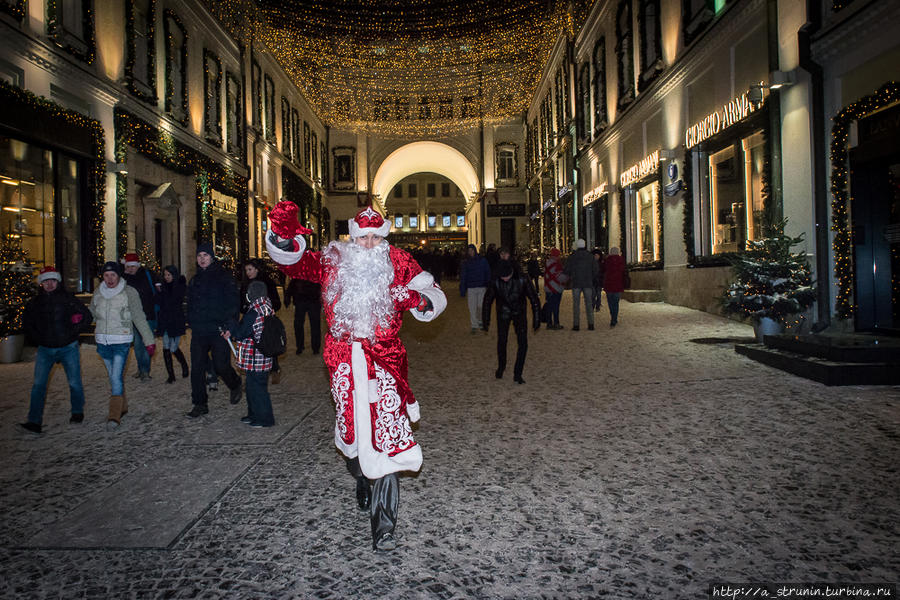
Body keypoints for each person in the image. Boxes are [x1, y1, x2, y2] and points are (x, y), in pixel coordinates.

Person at [266, 202, 446, 552]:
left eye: (376, 237)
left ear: (384, 237)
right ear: (352, 235)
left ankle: (385, 527)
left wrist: (415, 299)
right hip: (344, 360)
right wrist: (285, 239)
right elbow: (298, 265)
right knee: (352, 436)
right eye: (363, 237)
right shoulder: (335, 259)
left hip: (385, 360)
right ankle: (362, 475)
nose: (369, 245)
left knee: (387, 442)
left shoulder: (398, 261)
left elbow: (433, 294)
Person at [20, 266, 93, 433]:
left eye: (52, 280)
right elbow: (27, 324)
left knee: (74, 382)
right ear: (41, 284)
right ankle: (34, 420)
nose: (49, 284)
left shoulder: (68, 299)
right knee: (38, 385)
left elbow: (87, 316)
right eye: (46, 281)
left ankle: (77, 412)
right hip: (45, 349)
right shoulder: (34, 303)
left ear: (57, 281)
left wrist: (74, 332)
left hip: (68, 347)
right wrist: (38, 339)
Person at [90, 261, 155, 430]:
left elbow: (139, 317)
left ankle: (114, 416)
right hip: (103, 341)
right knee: (114, 377)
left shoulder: (129, 292)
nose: (110, 279)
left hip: (121, 340)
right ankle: (123, 406)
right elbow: (92, 314)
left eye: (113, 275)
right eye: (106, 275)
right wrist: (80, 318)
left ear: (119, 276)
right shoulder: (98, 292)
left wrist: (149, 340)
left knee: (116, 377)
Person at [185, 242, 243, 418]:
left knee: (221, 365)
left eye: (205, 256)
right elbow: (190, 304)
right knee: (197, 367)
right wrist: (190, 320)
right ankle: (200, 403)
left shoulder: (224, 277)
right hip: (199, 330)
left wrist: (230, 326)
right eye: (199, 256)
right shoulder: (194, 280)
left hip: (219, 329)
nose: (202, 259)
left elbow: (233, 303)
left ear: (212, 257)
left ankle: (235, 384)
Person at [222, 281, 276, 427]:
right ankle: (253, 415)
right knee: (253, 388)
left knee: (257, 390)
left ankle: (265, 419)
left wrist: (231, 324)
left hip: (254, 358)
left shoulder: (254, 312)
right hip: (263, 356)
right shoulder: (267, 307)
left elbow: (240, 333)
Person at [482, 260, 540, 384]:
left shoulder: (523, 278)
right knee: (502, 341)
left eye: (507, 277)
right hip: (503, 313)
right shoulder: (495, 280)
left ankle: (518, 373)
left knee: (523, 343)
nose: (505, 279)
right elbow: (487, 300)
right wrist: (485, 319)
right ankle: (501, 367)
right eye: (502, 278)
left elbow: (534, 298)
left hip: (519, 313)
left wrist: (536, 318)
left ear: (512, 273)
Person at [241, 259, 283, 383]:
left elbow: (276, 302)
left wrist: (269, 309)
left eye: (250, 269)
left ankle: (274, 369)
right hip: (250, 319)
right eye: (246, 270)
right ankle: (251, 376)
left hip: (266, 320)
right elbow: (241, 302)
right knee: (250, 348)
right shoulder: (245, 284)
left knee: (268, 343)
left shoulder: (267, 283)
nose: (248, 273)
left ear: (257, 269)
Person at [121, 253, 157, 381]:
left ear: (137, 266)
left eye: (133, 266)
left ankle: (145, 371)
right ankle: (140, 368)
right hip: (132, 317)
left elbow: (157, 291)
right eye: (128, 266)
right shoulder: (123, 279)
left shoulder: (147, 275)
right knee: (137, 345)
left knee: (146, 343)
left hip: (148, 315)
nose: (131, 269)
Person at [156, 265, 189, 384]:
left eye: (168, 275)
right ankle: (171, 375)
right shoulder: (161, 287)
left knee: (174, 347)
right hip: (164, 320)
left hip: (176, 320)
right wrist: (159, 292)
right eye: (165, 275)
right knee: (166, 346)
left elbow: (176, 300)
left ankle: (184, 365)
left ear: (174, 275)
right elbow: (159, 302)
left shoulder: (180, 286)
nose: (166, 277)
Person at [564, 239, 599, 331]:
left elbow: (567, 269)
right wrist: (591, 277)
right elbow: (595, 269)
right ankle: (591, 324)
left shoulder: (572, 257)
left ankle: (576, 325)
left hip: (576, 283)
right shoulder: (590, 256)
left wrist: (572, 275)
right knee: (589, 304)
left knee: (576, 304)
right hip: (587, 283)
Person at [284, 275, 322, 354]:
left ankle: (314, 347)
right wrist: (288, 297)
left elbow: (292, 284)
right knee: (300, 325)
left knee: (313, 325)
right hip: (302, 300)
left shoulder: (310, 271)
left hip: (312, 300)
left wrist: (288, 297)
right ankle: (301, 346)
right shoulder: (300, 272)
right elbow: (292, 284)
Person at [458, 244, 491, 332]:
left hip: (481, 286)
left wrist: (488, 284)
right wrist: (462, 289)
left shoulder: (482, 260)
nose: (470, 252)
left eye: (472, 250)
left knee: (480, 306)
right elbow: (463, 276)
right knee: (472, 307)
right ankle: (474, 324)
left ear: (475, 251)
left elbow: (487, 272)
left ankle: (480, 320)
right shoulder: (466, 262)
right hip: (471, 287)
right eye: (469, 251)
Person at [542, 248, 566, 330]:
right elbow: (560, 277)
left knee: (549, 306)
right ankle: (556, 323)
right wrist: (567, 277)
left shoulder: (547, 263)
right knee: (556, 306)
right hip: (556, 288)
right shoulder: (557, 265)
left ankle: (549, 323)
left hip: (548, 288)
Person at [603, 247, 627, 327]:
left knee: (610, 302)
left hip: (609, 284)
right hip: (618, 285)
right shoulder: (621, 260)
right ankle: (614, 318)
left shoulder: (607, 261)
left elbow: (603, 270)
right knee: (616, 303)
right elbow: (623, 272)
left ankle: (612, 316)